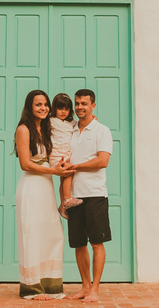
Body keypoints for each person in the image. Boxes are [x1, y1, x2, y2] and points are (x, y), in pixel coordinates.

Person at [14, 89, 70, 300]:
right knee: (32, 234)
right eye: (38, 104)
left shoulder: (47, 128)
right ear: (30, 107)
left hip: (46, 187)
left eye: (46, 104)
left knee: (53, 234)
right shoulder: (23, 129)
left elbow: (68, 130)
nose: (44, 108)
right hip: (31, 188)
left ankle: (51, 285)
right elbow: (26, 164)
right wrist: (54, 171)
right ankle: (32, 288)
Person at [64, 89, 112, 304]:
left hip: (95, 195)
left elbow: (102, 161)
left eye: (84, 103)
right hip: (73, 197)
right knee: (78, 244)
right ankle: (84, 286)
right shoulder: (70, 130)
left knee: (96, 243)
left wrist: (77, 166)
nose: (79, 107)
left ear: (93, 105)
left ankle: (95, 289)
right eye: (77, 103)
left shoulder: (102, 130)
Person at [50, 93, 82, 218]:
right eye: (60, 108)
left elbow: (82, 123)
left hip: (66, 153)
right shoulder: (51, 121)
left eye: (66, 109)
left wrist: (93, 118)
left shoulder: (72, 122)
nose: (63, 112)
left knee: (64, 179)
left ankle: (63, 205)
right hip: (56, 153)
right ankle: (67, 199)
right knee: (68, 172)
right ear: (54, 109)